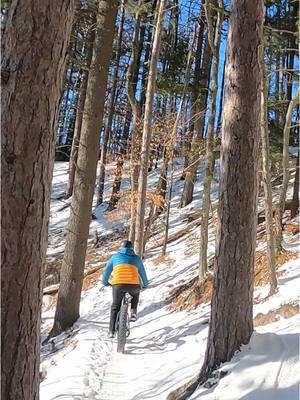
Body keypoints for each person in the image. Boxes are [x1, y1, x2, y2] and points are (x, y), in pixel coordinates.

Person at [102, 240, 149, 338]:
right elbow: (142, 273)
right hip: (133, 285)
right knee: (135, 293)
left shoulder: (115, 257)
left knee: (115, 306)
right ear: (131, 248)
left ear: (121, 248)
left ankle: (111, 331)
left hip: (118, 285)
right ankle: (133, 311)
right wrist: (145, 285)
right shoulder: (136, 259)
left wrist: (105, 282)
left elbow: (107, 271)